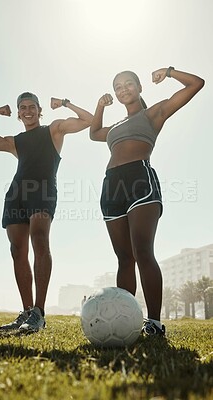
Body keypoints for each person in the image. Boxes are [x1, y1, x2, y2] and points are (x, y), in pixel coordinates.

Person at [90, 67, 204, 336]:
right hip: (112, 186)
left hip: (140, 180)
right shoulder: (115, 127)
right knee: (123, 258)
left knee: (142, 250)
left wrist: (170, 72)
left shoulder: (153, 113)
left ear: (139, 88)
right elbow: (94, 132)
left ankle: (154, 322)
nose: (123, 89)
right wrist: (99, 106)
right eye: (118, 86)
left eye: (128, 83)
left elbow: (196, 84)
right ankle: (124, 320)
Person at [0, 92, 93, 332]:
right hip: (16, 195)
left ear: (39, 110)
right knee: (17, 250)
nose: (28, 111)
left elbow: (88, 120)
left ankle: (38, 312)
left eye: (32, 107)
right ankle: (26, 312)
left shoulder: (54, 130)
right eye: (22, 107)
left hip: (43, 191)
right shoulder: (15, 142)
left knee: (40, 240)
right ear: (18, 113)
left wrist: (65, 103)